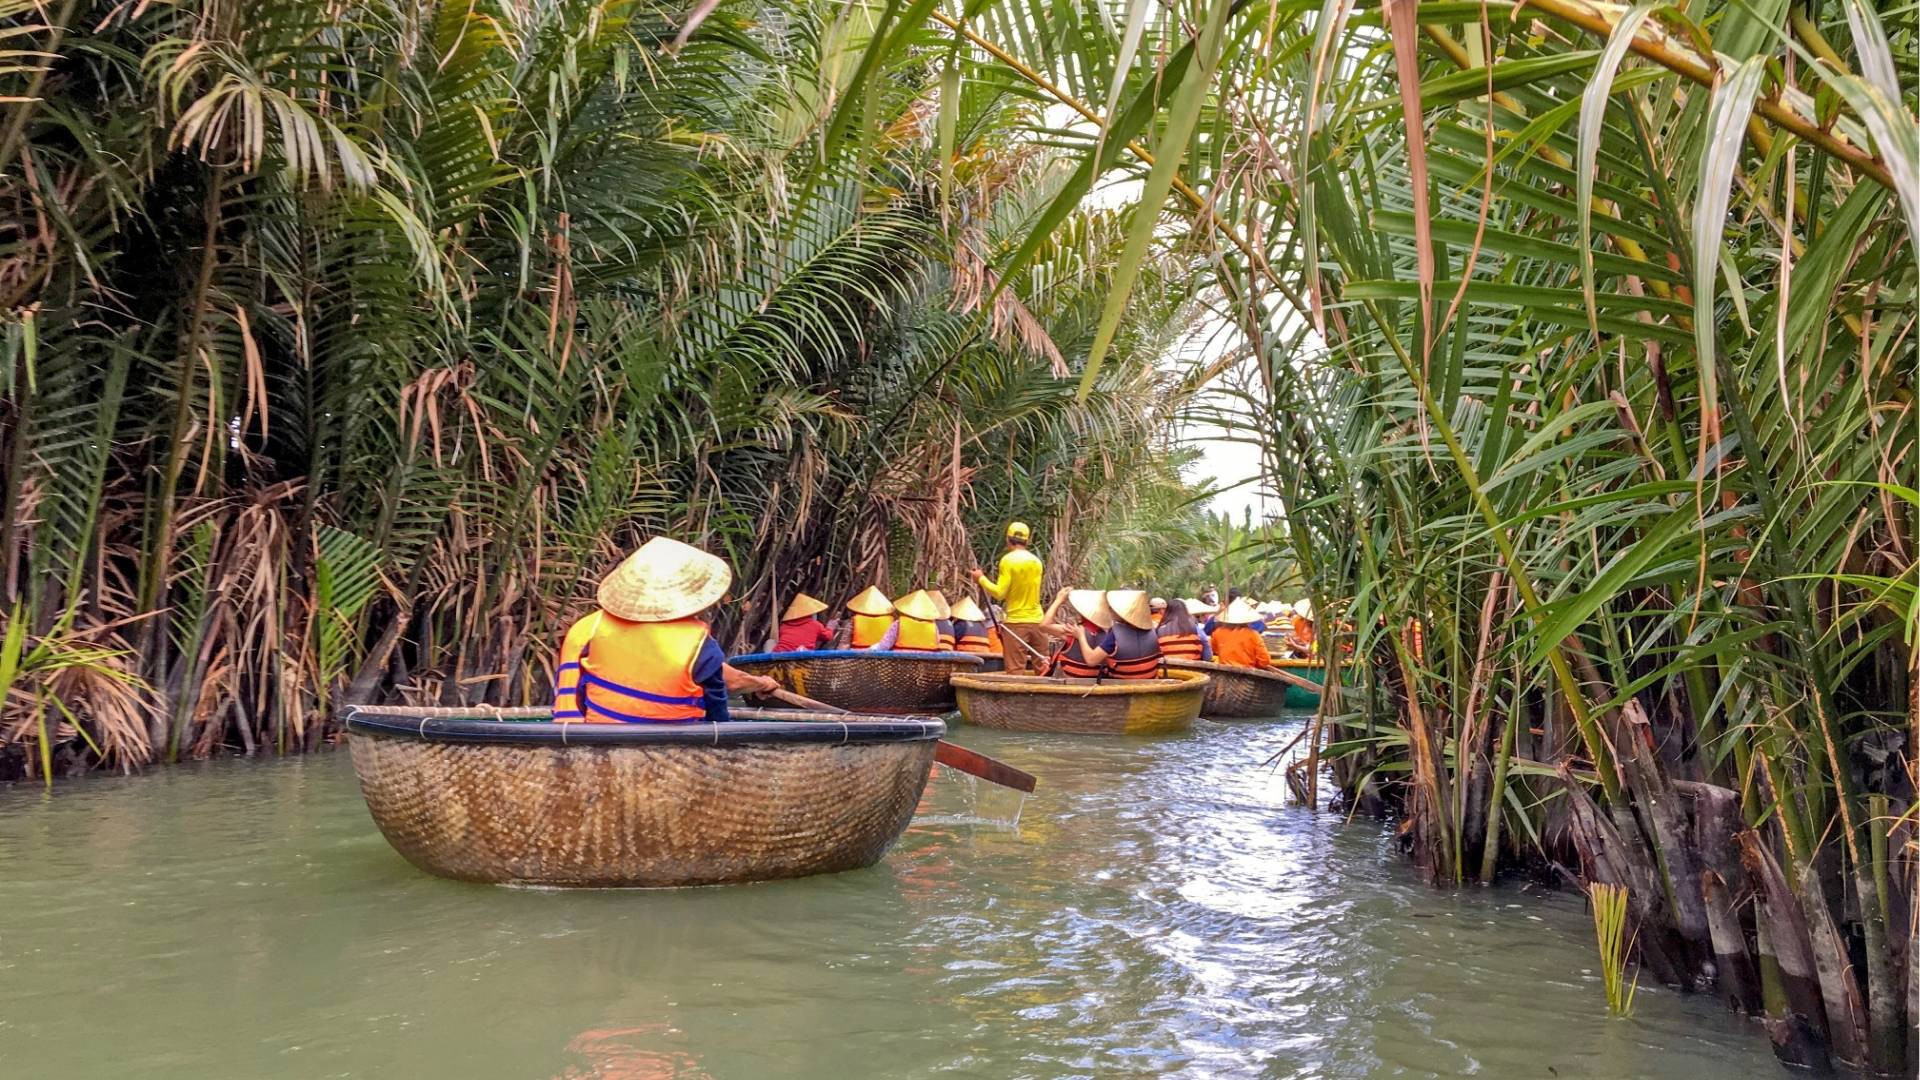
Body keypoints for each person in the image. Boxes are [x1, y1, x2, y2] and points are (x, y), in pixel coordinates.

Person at [552, 536, 777, 724]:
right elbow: (717, 703)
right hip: (674, 748)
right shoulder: (697, 643)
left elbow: (579, 694)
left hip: (593, 739)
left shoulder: (587, 627)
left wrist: (758, 683)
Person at [973, 522, 1047, 675]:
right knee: (1044, 668)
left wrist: (981, 579)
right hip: (1038, 621)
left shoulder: (1008, 560)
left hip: (1016, 622)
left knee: (1015, 671)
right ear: (1027, 541)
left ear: (1008, 539)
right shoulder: (1036, 562)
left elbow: (999, 593)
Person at [1039, 587, 1114, 678]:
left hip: (1070, 681)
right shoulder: (1111, 634)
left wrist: (1058, 600)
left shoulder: (1074, 630)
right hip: (1095, 680)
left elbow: (1044, 625)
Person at [1100, 590, 1164, 678]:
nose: (1111, 610)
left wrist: (1081, 637)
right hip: (1150, 681)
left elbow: (1091, 661)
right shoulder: (1154, 630)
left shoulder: (1114, 633)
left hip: (1121, 685)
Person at [1210, 597, 1275, 669]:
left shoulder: (1218, 632)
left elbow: (1214, 650)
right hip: (1247, 674)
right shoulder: (1253, 635)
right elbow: (1265, 660)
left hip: (1224, 671)